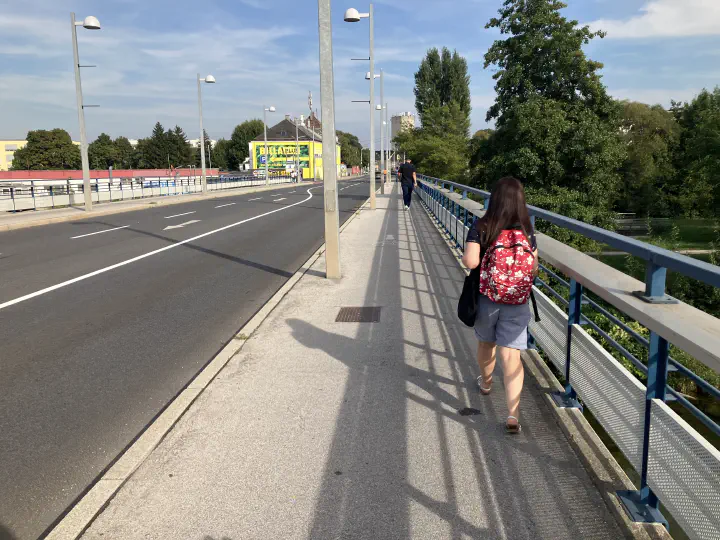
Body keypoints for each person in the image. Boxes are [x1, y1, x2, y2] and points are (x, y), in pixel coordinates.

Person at [461, 177, 538, 434]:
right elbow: (534, 269)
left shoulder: (483, 225)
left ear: (494, 198)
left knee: (486, 343)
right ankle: (513, 415)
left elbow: (471, 262)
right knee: (511, 355)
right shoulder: (527, 229)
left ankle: (485, 383)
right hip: (517, 301)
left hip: (487, 298)